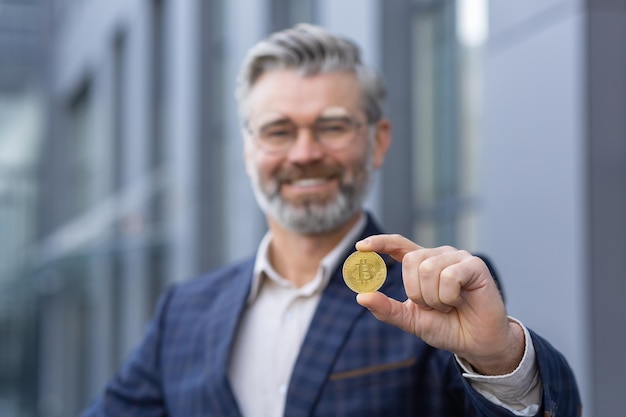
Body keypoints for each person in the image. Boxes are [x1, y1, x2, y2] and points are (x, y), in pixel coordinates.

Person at [81, 23, 580, 417]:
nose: (304, 153)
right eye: (278, 130)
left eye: (333, 125)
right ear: (249, 149)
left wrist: (500, 361)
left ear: (378, 140)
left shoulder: (432, 294)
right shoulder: (183, 313)